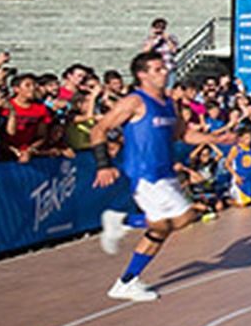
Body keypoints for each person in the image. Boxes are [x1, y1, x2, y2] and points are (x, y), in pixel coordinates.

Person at [92, 52, 238, 301]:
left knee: (160, 230)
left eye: (165, 68)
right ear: (142, 74)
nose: (165, 72)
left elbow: (183, 135)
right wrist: (104, 164)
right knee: (186, 216)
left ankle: (125, 282)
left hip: (166, 171)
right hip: (145, 174)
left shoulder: (170, 103)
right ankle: (123, 221)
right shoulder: (134, 102)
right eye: (158, 69)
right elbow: (99, 128)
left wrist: (215, 138)